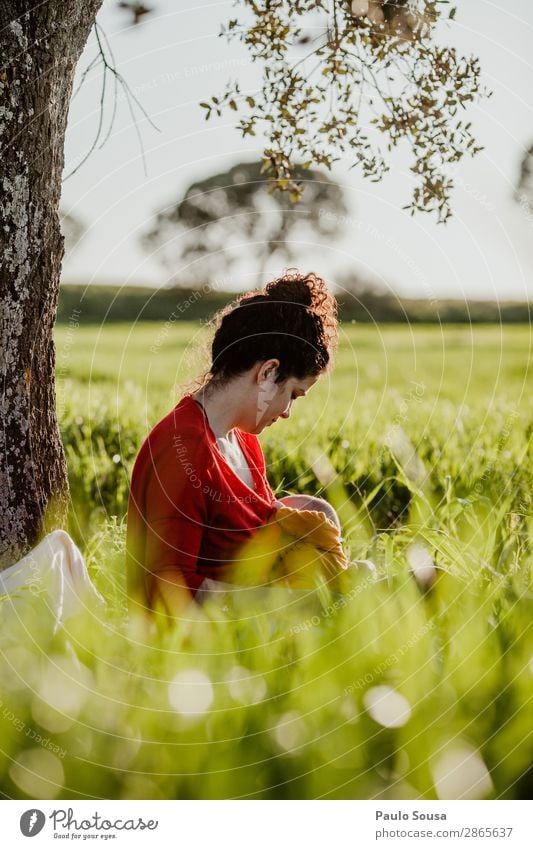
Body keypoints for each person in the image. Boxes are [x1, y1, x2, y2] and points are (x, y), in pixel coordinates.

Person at [126, 270, 343, 617]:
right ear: (268, 373)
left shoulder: (242, 440)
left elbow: (243, 540)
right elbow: (163, 591)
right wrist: (296, 605)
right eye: (293, 395)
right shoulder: (182, 449)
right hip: (209, 649)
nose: (287, 412)